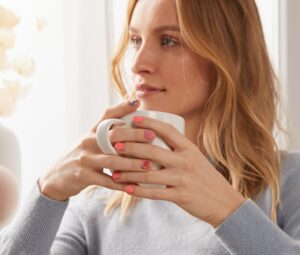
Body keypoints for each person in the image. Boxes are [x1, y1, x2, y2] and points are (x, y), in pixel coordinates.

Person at [1, 0, 300, 254]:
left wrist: (226, 210)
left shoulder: (288, 183)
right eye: (135, 40)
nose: (138, 64)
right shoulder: (96, 207)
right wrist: (48, 192)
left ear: (228, 54)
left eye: (169, 41)